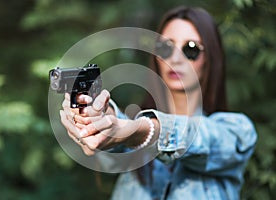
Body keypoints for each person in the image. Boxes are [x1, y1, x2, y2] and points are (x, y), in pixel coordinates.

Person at [59, 6, 257, 200]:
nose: (175, 59)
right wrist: (99, 115)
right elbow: (118, 130)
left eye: (191, 49)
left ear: (210, 58)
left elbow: (200, 138)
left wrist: (142, 131)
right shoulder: (132, 127)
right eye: (166, 47)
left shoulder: (237, 132)